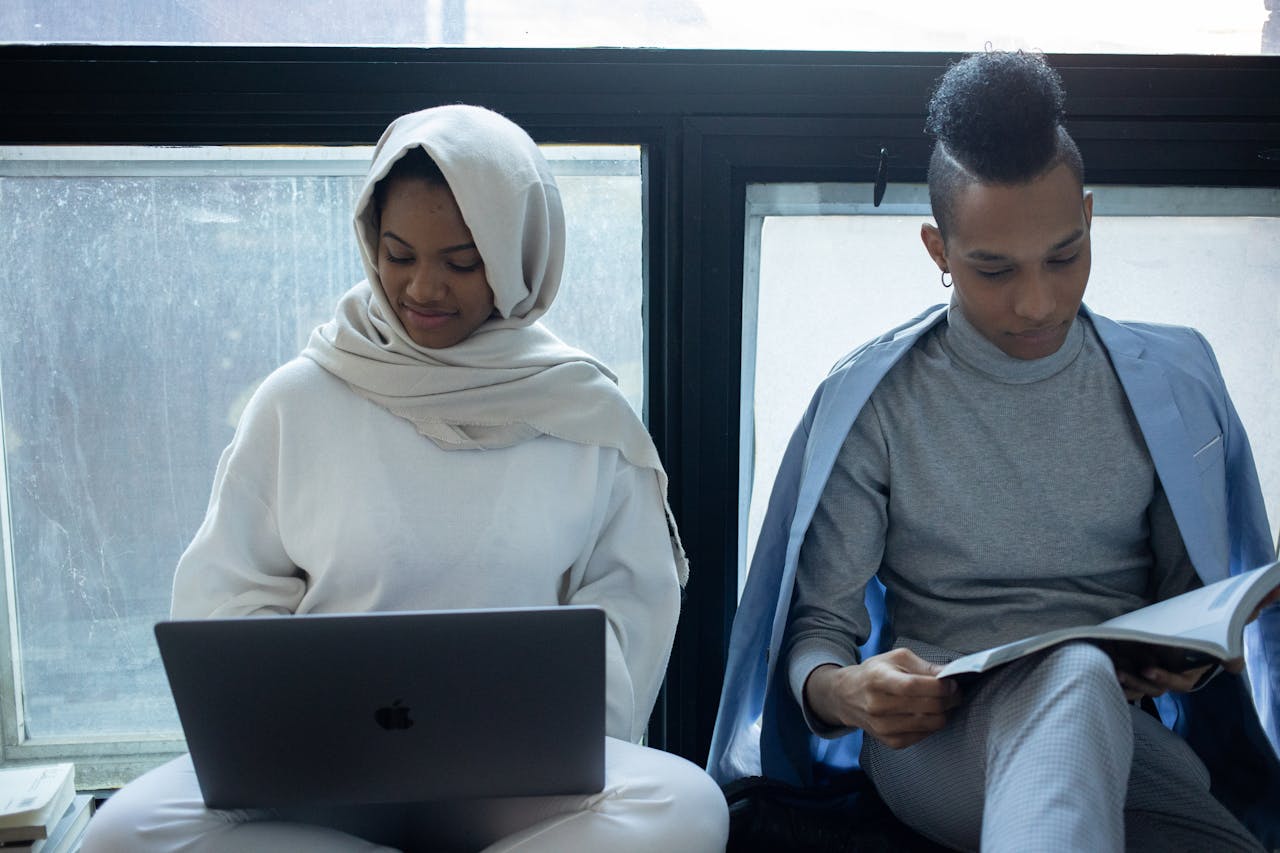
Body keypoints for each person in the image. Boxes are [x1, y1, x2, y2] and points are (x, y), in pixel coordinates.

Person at [83, 104, 729, 853]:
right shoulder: (299, 400)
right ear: (370, 241)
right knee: (123, 832)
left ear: (520, 255)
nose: (422, 289)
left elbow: (633, 613)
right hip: (320, 777)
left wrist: (533, 718)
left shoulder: (584, 414)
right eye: (398, 254)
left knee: (688, 806)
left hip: (520, 788)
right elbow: (223, 597)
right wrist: (304, 711)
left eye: (462, 261)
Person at [708, 51, 1280, 852]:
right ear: (938, 250)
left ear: (1089, 215)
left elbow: (1196, 602)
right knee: (1077, 675)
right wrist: (850, 690)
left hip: (1116, 733)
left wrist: (1189, 655)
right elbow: (816, 637)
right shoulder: (876, 401)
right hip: (937, 746)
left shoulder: (1173, 382)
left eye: (1064, 254)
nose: (1037, 300)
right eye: (992, 268)